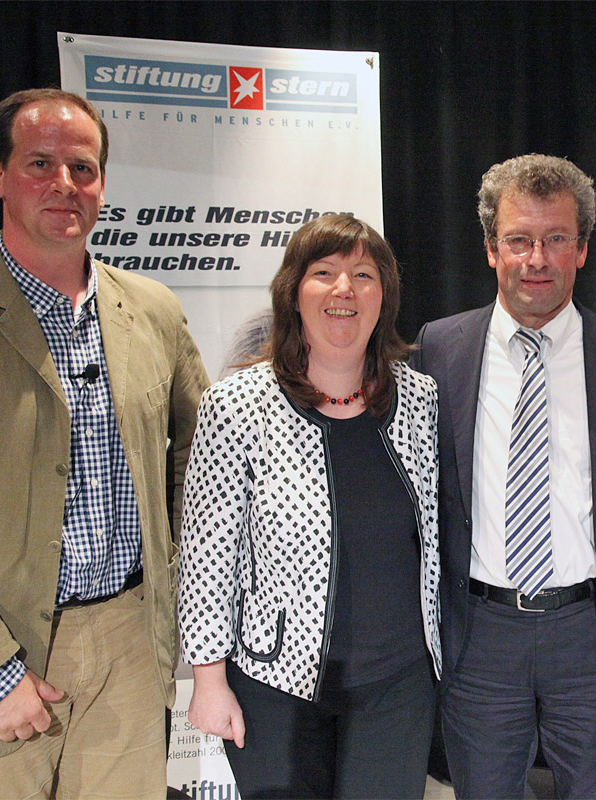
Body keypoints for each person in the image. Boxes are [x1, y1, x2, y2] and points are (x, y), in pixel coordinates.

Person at [0, 88, 209, 797]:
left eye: (83, 168)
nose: (65, 184)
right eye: (40, 164)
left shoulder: (152, 310)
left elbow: (200, 467)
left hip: (130, 648)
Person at [411, 153, 596, 798]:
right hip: (479, 636)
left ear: (582, 249)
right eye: (520, 240)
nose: (537, 259)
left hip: (592, 633)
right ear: (491, 248)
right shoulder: (437, 350)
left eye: (555, 239)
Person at [178, 213, 441, 799]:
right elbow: (205, 556)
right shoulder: (236, 405)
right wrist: (208, 680)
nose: (344, 289)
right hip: (275, 686)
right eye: (324, 272)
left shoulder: (419, 399)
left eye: (363, 275)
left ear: (383, 297)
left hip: (397, 689)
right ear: (294, 294)